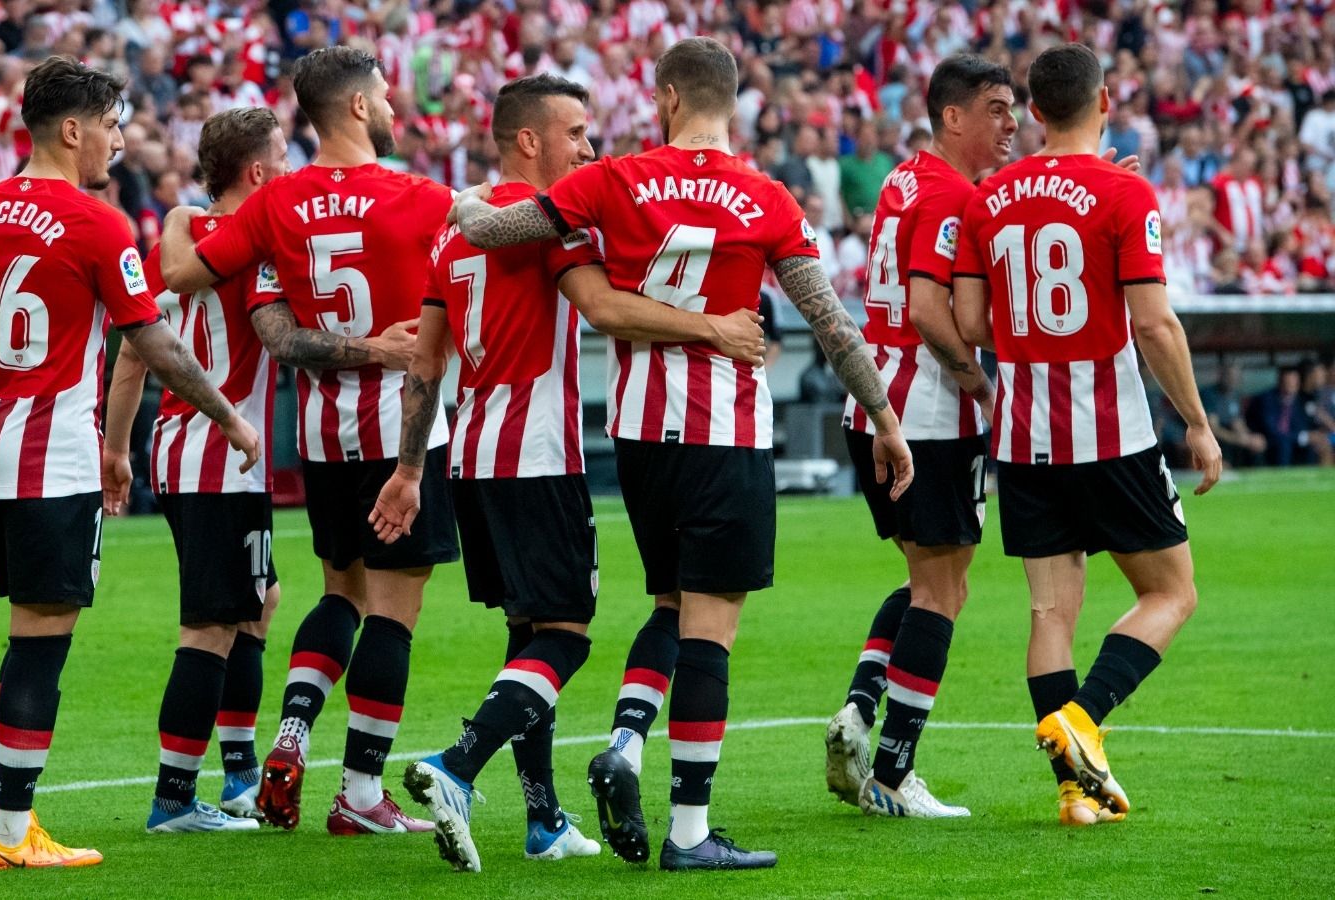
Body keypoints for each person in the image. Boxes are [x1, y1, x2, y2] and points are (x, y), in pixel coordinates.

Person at [451, 37, 912, 870]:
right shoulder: (766, 197)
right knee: (711, 629)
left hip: (636, 435)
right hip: (723, 433)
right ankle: (692, 832)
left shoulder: (613, 178)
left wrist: (462, 205)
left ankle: (625, 748)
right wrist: (882, 413)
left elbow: (499, 228)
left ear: (665, 99)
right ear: (733, 104)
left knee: (667, 603)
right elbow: (829, 321)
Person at [372, 74, 765, 873]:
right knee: (565, 636)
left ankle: (545, 819)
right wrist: (715, 329)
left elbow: (425, 362)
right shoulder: (548, 229)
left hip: (473, 455)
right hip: (539, 453)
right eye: (577, 132)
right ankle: (456, 767)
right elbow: (609, 311)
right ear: (529, 140)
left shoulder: (460, 233)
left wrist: (412, 467)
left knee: (528, 636)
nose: (589, 147)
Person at [0, 55, 259, 871]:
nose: (116, 140)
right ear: (72, 130)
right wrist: (229, 416)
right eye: (110, 125)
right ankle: (12, 833)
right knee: (43, 636)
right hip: (50, 458)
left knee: (27, 624)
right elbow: (152, 341)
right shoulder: (97, 223)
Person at [159, 45, 453, 838]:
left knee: (340, 595)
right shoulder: (422, 194)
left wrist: (181, 219)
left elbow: (185, 277)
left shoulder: (273, 204)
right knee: (393, 614)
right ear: (357, 106)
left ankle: (290, 734)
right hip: (402, 427)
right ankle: (360, 794)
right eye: (385, 94)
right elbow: (496, 234)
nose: (393, 106)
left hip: (323, 436)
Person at [952, 42, 1222, 825]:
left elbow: (971, 323)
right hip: (1110, 434)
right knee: (1172, 592)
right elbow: (1154, 324)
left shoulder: (987, 198)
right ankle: (1083, 719)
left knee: (1049, 616)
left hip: (1023, 436)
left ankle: (1076, 789)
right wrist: (1199, 426)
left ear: (1032, 111)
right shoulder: (1123, 193)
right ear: (1104, 103)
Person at [825, 54, 1014, 822]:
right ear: (952, 116)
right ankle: (895, 773)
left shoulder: (906, 178)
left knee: (927, 581)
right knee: (944, 589)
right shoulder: (949, 195)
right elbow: (930, 309)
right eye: (997, 109)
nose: (1010, 125)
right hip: (926, 417)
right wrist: (979, 383)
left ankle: (860, 714)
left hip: (872, 404)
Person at [102, 107, 292, 835]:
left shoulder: (177, 240)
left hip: (183, 449)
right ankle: (175, 798)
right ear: (256, 171)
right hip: (223, 452)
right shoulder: (253, 243)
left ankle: (240, 771)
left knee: (259, 599)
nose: (291, 165)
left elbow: (132, 352)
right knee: (210, 625)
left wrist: (119, 451)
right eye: (282, 155)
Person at [1246, 365, 1311, 466]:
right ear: (1280, 381)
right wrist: (1301, 437)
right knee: (1284, 444)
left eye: (1294, 381)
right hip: (1267, 439)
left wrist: (1307, 437)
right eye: (1288, 381)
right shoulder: (1267, 400)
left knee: (1312, 445)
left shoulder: (1302, 401)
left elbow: (1302, 426)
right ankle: (1284, 476)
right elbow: (1271, 429)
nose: (1291, 384)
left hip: (1291, 440)